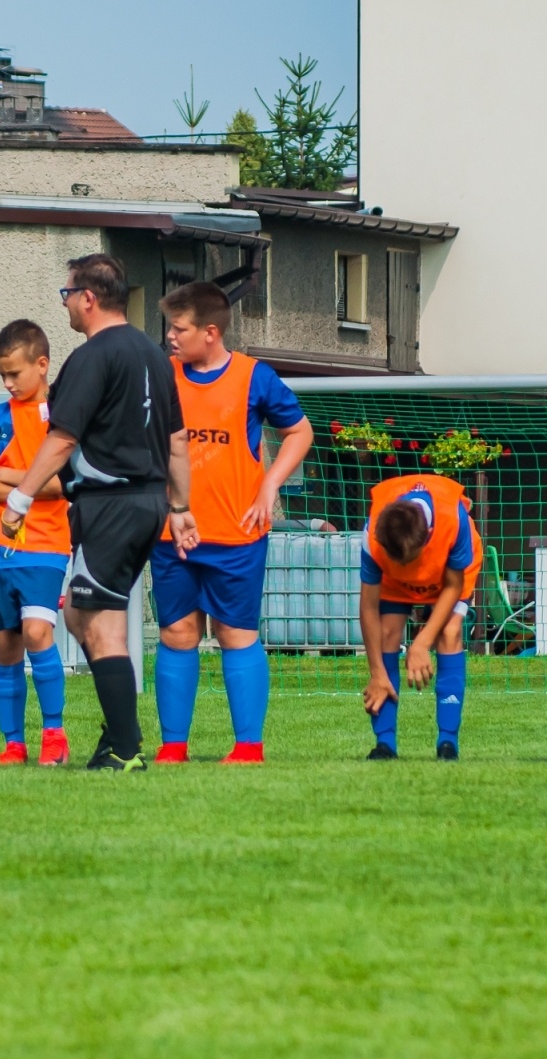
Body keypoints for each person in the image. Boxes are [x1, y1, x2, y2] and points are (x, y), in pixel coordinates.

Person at [2, 253, 197, 772]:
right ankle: (118, 731)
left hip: (109, 504)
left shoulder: (91, 357)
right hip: (148, 502)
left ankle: (125, 748)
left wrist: (20, 498)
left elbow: (63, 439)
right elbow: (177, 440)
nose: (65, 303)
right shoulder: (155, 355)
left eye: (67, 294)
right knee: (80, 613)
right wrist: (179, 507)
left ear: (88, 298)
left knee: (99, 625)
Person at [149, 282, 313, 765]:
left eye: (179, 328)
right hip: (173, 533)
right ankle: (173, 747)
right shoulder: (161, 374)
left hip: (237, 534)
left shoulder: (253, 377)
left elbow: (299, 431)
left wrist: (270, 484)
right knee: (177, 633)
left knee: (235, 633)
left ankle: (247, 748)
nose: (170, 336)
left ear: (210, 332)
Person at [0, 320, 71, 766]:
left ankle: (54, 734)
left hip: (47, 545)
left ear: (42, 364)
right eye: (1, 375)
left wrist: (6, 474)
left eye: (14, 373)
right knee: (7, 645)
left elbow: (62, 485)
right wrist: (27, 484)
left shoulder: (64, 417)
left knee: (37, 632)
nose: (7, 383)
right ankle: (13, 742)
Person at [359, 474, 482, 761]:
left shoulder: (454, 521)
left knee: (449, 633)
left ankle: (448, 743)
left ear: (427, 534)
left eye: (408, 559)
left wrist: (421, 644)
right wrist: (376, 672)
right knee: (387, 633)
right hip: (394, 582)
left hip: (449, 576)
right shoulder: (374, 535)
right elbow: (368, 607)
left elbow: (453, 587)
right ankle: (385, 744)